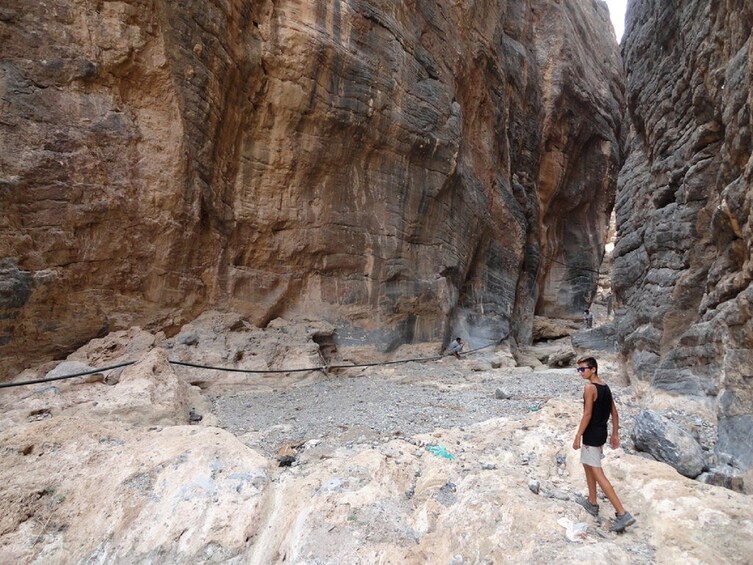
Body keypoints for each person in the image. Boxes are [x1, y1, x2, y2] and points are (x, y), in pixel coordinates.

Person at [572, 356, 635, 533]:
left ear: (593, 369)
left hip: (591, 435)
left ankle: (622, 514)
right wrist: (615, 434)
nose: (580, 373)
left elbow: (587, 415)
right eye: (579, 370)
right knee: (588, 464)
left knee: (597, 472)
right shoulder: (605, 387)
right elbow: (614, 413)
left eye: (583, 369)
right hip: (601, 433)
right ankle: (592, 502)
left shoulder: (589, 388)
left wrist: (578, 435)